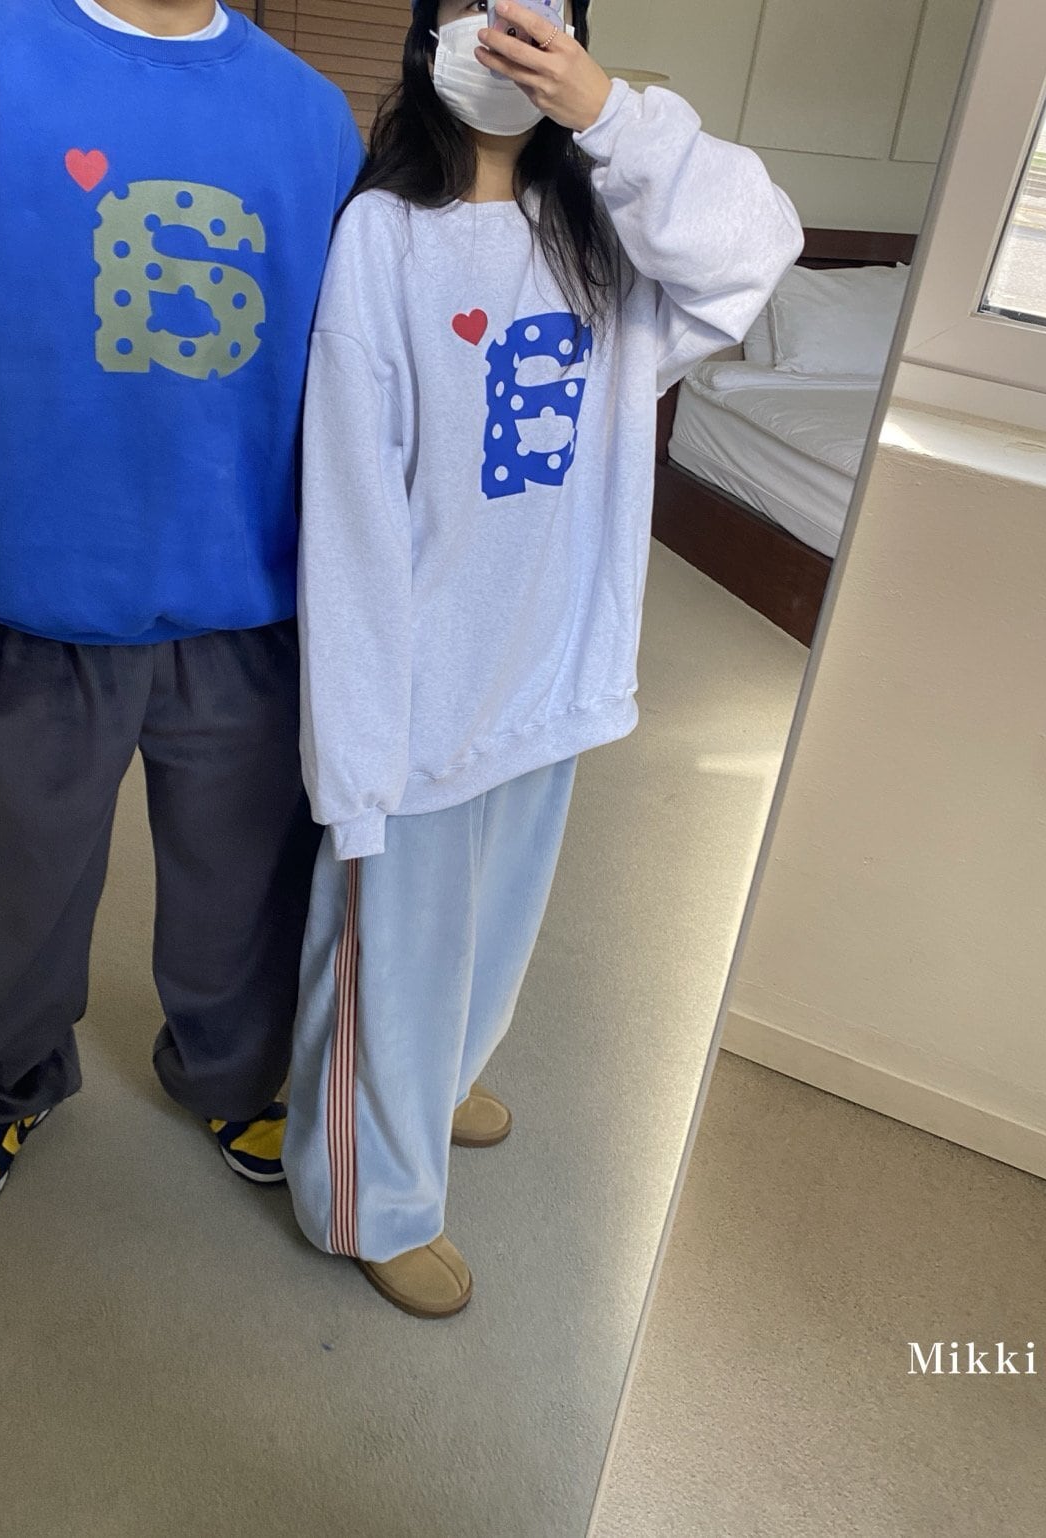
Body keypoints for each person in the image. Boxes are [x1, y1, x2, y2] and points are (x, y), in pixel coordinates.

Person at [285, 0, 803, 1317]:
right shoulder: (383, 236)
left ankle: (446, 1077)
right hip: (419, 690)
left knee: (495, 932)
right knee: (392, 960)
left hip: (550, 670)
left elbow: (758, 245)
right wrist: (356, 744)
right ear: (428, 40)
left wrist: (614, 118)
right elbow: (348, 504)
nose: (506, 39)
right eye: (477, 11)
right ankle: (366, 1195)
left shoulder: (609, 234)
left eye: (538, 17)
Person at [0, 0, 361, 1224]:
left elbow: (347, 375)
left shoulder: (311, 117)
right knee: (5, 886)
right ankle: (0, 1082)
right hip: (24, 607)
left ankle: (233, 1075)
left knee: (245, 885)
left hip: (250, 608)